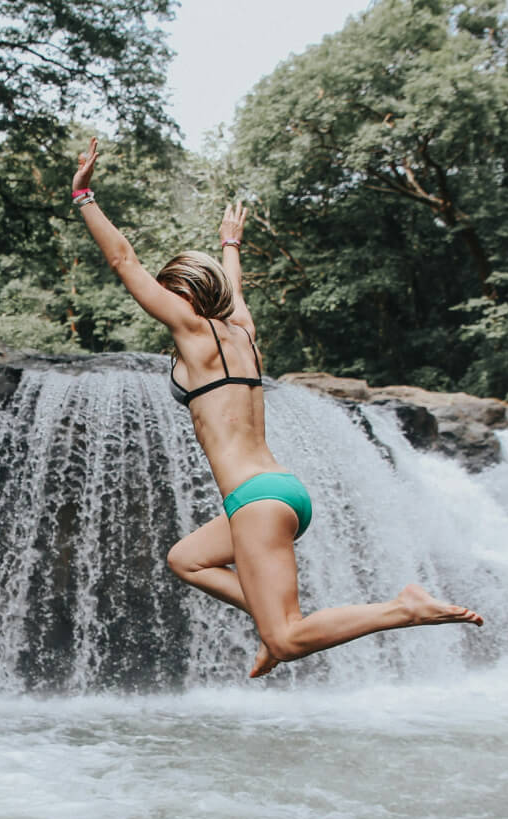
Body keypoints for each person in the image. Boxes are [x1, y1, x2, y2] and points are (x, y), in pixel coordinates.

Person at [69, 137, 484, 678]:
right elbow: (235, 294)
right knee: (185, 559)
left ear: (181, 298)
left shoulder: (193, 335)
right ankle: (268, 620)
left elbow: (124, 260)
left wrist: (84, 197)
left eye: (169, 296)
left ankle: (402, 608)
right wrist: (230, 245)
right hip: (281, 492)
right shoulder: (242, 334)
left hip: (256, 502)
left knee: (288, 641)